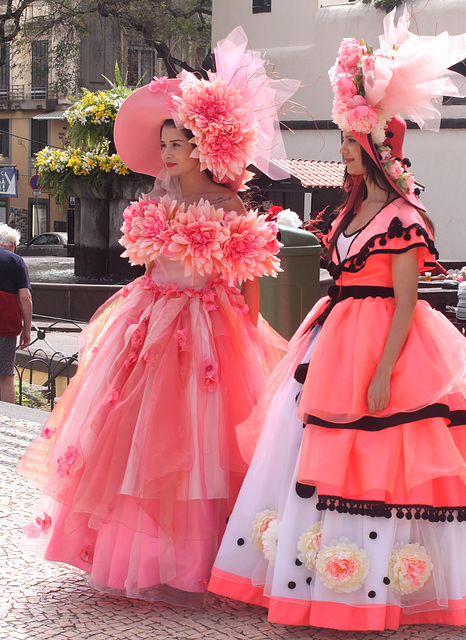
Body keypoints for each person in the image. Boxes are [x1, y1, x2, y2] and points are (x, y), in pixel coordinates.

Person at [209, 9, 466, 632]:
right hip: (332, 337)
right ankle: (317, 579)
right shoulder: (347, 215)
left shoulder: (403, 218)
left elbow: (407, 304)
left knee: (380, 458)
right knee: (312, 453)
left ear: (375, 147)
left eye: (349, 143)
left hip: (380, 343)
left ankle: (372, 586)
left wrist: (382, 372)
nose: (342, 152)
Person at [17, 27, 298, 606]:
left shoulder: (229, 205)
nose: (165, 153)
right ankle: (144, 555)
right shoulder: (155, 200)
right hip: (150, 322)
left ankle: (204, 558)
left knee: (203, 445)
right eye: (164, 143)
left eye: (175, 144)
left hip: (211, 330)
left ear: (204, 147)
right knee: (134, 437)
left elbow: (248, 280)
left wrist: (247, 331)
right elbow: (146, 267)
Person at [0, 224, 32, 402]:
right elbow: (25, 297)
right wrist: (27, 328)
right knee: (5, 373)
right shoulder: (16, 261)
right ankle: (7, 421)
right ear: (13, 244)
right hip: (5, 324)